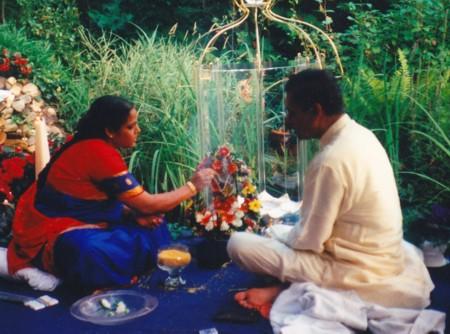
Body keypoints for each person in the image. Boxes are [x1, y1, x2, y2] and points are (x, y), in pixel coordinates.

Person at [227, 69, 434, 316]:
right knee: (277, 232)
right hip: (385, 256)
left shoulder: (330, 160)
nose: (288, 122)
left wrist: (277, 235)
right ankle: (282, 286)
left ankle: (284, 290)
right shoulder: (362, 135)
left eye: (292, 113)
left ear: (316, 111)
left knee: (239, 243)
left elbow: (309, 242)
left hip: (353, 271)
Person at [6, 95, 215, 290]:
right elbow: (146, 203)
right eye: (131, 127)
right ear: (110, 131)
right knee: (89, 250)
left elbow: (99, 201)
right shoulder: (97, 152)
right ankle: (108, 275)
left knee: (152, 224)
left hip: (90, 219)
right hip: (51, 230)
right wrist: (192, 186)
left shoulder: (98, 146)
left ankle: (124, 267)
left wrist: (134, 214)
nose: (138, 131)